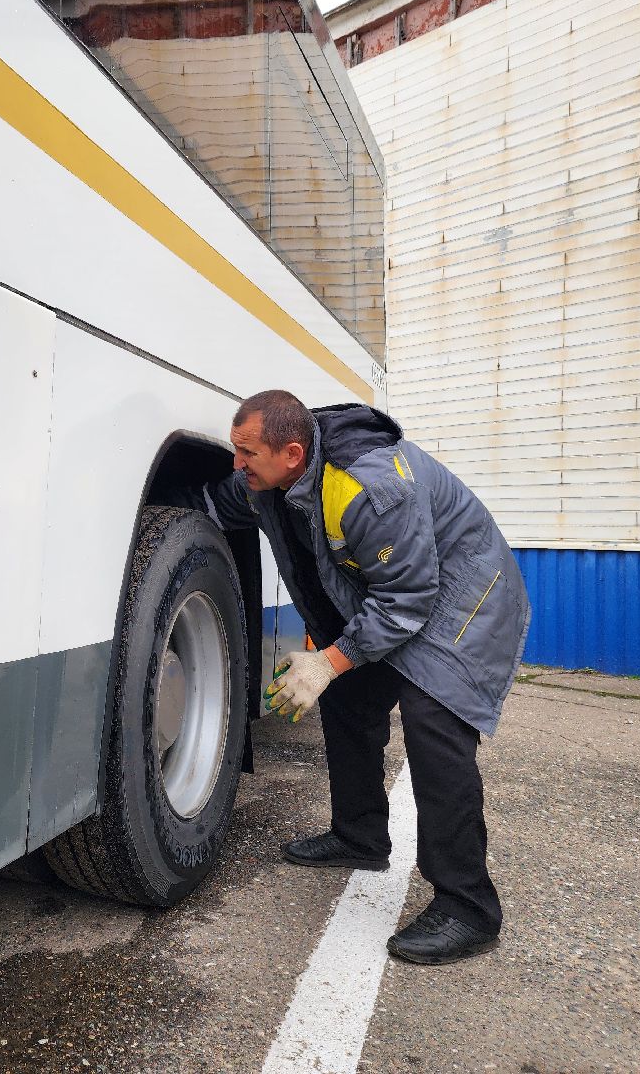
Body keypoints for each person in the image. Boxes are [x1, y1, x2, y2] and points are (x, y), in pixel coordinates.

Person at [192, 390, 529, 964]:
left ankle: (469, 907)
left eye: (246, 453)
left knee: (434, 727)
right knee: (346, 698)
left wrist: (327, 659)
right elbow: (220, 499)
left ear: (292, 452)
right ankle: (360, 835)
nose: (237, 464)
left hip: (465, 599)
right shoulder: (272, 480)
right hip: (403, 596)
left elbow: (408, 600)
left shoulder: (369, 487)